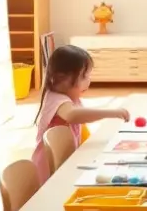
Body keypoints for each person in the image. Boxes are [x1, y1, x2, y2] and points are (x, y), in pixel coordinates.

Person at [31, 45, 129, 183]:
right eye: (84, 76)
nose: (89, 81)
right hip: (49, 168)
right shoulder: (55, 98)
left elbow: (81, 129)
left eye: (89, 75)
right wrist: (111, 112)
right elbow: (72, 115)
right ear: (60, 78)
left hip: (66, 162)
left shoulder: (70, 98)